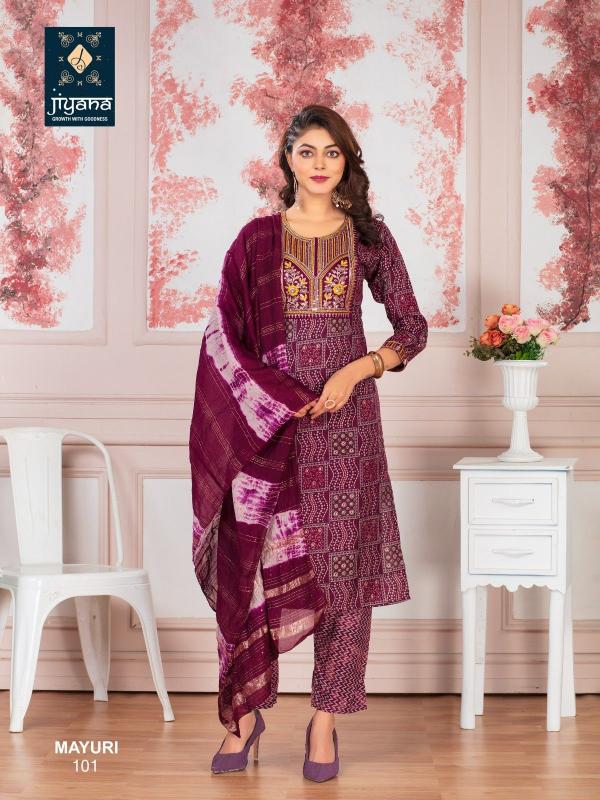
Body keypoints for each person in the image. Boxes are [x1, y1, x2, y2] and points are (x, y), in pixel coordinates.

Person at [189, 104, 428, 781]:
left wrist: (358, 369)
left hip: (347, 428)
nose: (320, 163)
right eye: (307, 152)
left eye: (332, 152)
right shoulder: (255, 241)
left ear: (346, 162)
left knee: (344, 575)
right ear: (287, 161)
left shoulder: (368, 236)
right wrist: (274, 399)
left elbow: (412, 329)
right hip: (270, 431)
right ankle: (244, 713)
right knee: (251, 562)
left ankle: (324, 722)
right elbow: (223, 338)